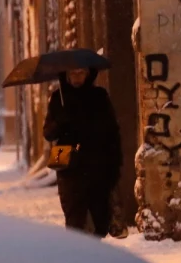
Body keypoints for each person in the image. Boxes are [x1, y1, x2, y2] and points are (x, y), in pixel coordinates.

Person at [42, 68, 122, 238]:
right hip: (68, 165)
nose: (77, 77)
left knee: (99, 218)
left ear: (88, 74)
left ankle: (94, 251)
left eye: (81, 73)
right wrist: (60, 121)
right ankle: (78, 255)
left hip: (95, 164)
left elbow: (111, 131)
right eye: (73, 73)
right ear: (67, 75)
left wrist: (114, 163)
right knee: (74, 219)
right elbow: (48, 133)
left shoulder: (99, 96)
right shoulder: (59, 98)